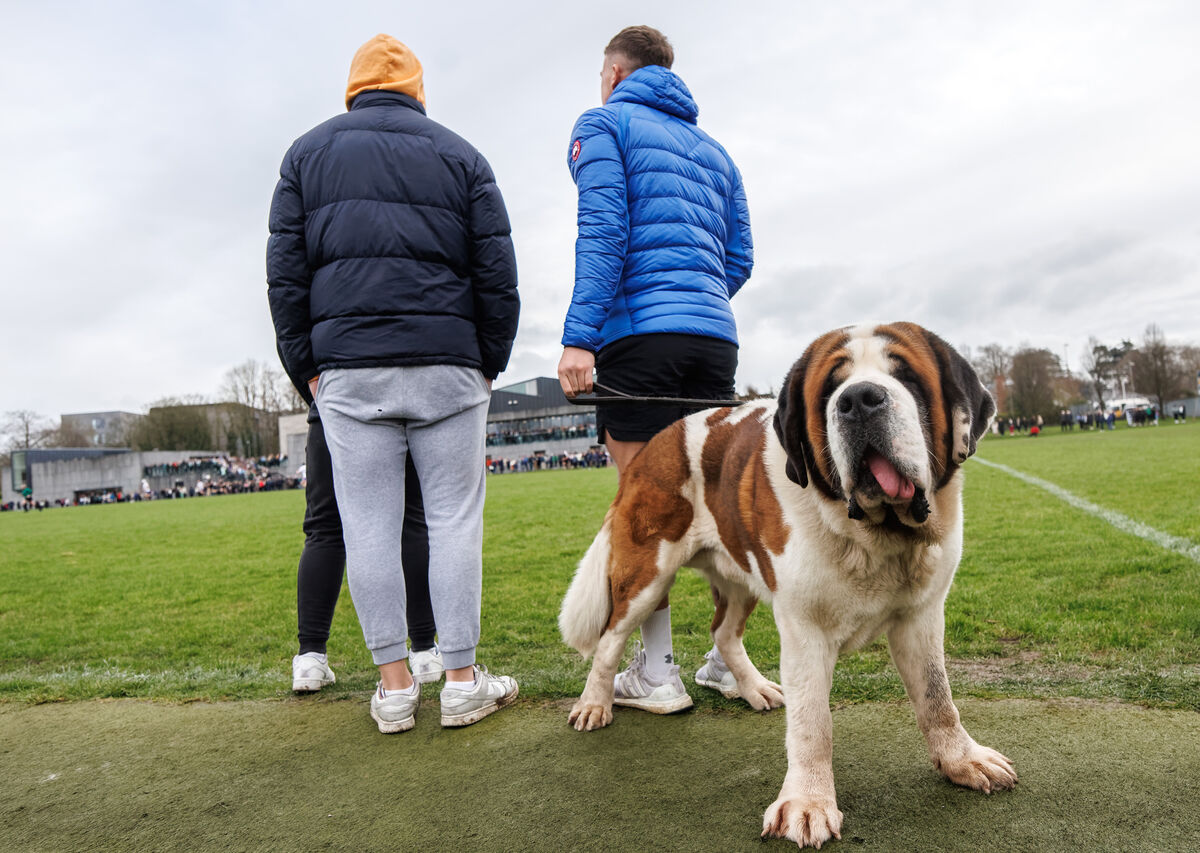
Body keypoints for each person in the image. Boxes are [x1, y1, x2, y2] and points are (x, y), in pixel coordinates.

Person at [268, 34, 520, 733]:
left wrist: (307, 370)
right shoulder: (460, 154)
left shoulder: (306, 155)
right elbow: (497, 272)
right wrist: (489, 359)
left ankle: (394, 687)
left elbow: (285, 279)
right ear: (416, 89)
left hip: (349, 368)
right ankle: (463, 679)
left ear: (354, 88)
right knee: (453, 524)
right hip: (446, 362)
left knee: (367, 528)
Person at [557, 26, 753, 714]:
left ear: (613, 73)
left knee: (648, 511)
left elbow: (604, 230)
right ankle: (727, 659)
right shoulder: (715, 151)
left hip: (641, 341)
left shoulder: (603, 123)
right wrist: (695, 299)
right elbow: (741, 258)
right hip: (712, 340)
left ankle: (659, 670)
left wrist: (581, 337)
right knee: (720, 508)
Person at [285, 375, 445, 695]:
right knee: (411, 522)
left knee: (323, 527)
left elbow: (291, 331)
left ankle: (310, 657)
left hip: (336, 396)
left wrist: (314, 382)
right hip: (398, 395)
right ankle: (425, 651)